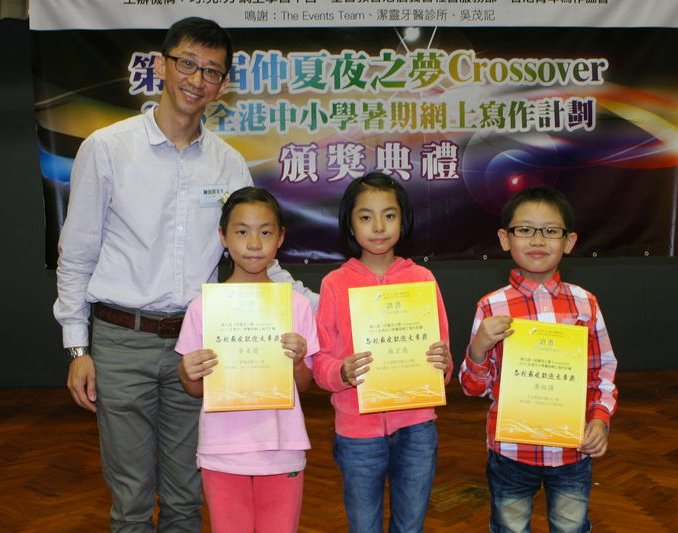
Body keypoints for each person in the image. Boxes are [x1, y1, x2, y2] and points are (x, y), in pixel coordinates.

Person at [53, 17, 316, 532]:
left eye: (212, 71)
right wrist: (77, 348)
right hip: (120, 342)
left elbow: (257, 258)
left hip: (201, 350)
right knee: (130, 502)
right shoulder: (107, 148)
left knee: (185, 499)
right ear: (161, 65)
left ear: (223, 85)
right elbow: (77, 254)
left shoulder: (228, 164)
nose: (197, 80)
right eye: (187, 64)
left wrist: (330, 310)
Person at [459, 186, 618, 533]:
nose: (537, 240)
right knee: (510, 528)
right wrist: (479, 348)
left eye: (550, 231)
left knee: (571, 527)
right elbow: (473, 387)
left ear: (569, 241)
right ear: (505, 239)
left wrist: (599, 419)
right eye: (525, 229)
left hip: (572, 449)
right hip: (511, 452)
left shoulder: (586, 303)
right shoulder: (491, 306)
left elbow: (603, 371)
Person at [312, 172, 452, 533]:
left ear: (403, 221)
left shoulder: (422, 279)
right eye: (365, 216)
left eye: (389, 215)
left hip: (417, 427)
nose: (378, 226)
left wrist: (442, 364)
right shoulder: (334, 284)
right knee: (364, 525)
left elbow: (443, 357)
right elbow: (320, 361)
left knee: (410, 525)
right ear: (350, 224)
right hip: (358, 431)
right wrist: (341, 372)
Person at [176, 187, 317, 533]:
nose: (254, 244)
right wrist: (187, 372)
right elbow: (196, 389)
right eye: (242, 232)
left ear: (280, 237)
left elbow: (304, 384)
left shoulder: (296, 305)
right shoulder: (204, 307)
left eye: (265, 232)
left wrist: (298, 362)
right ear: (223, 237)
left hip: (282, 447)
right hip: (222, 449)